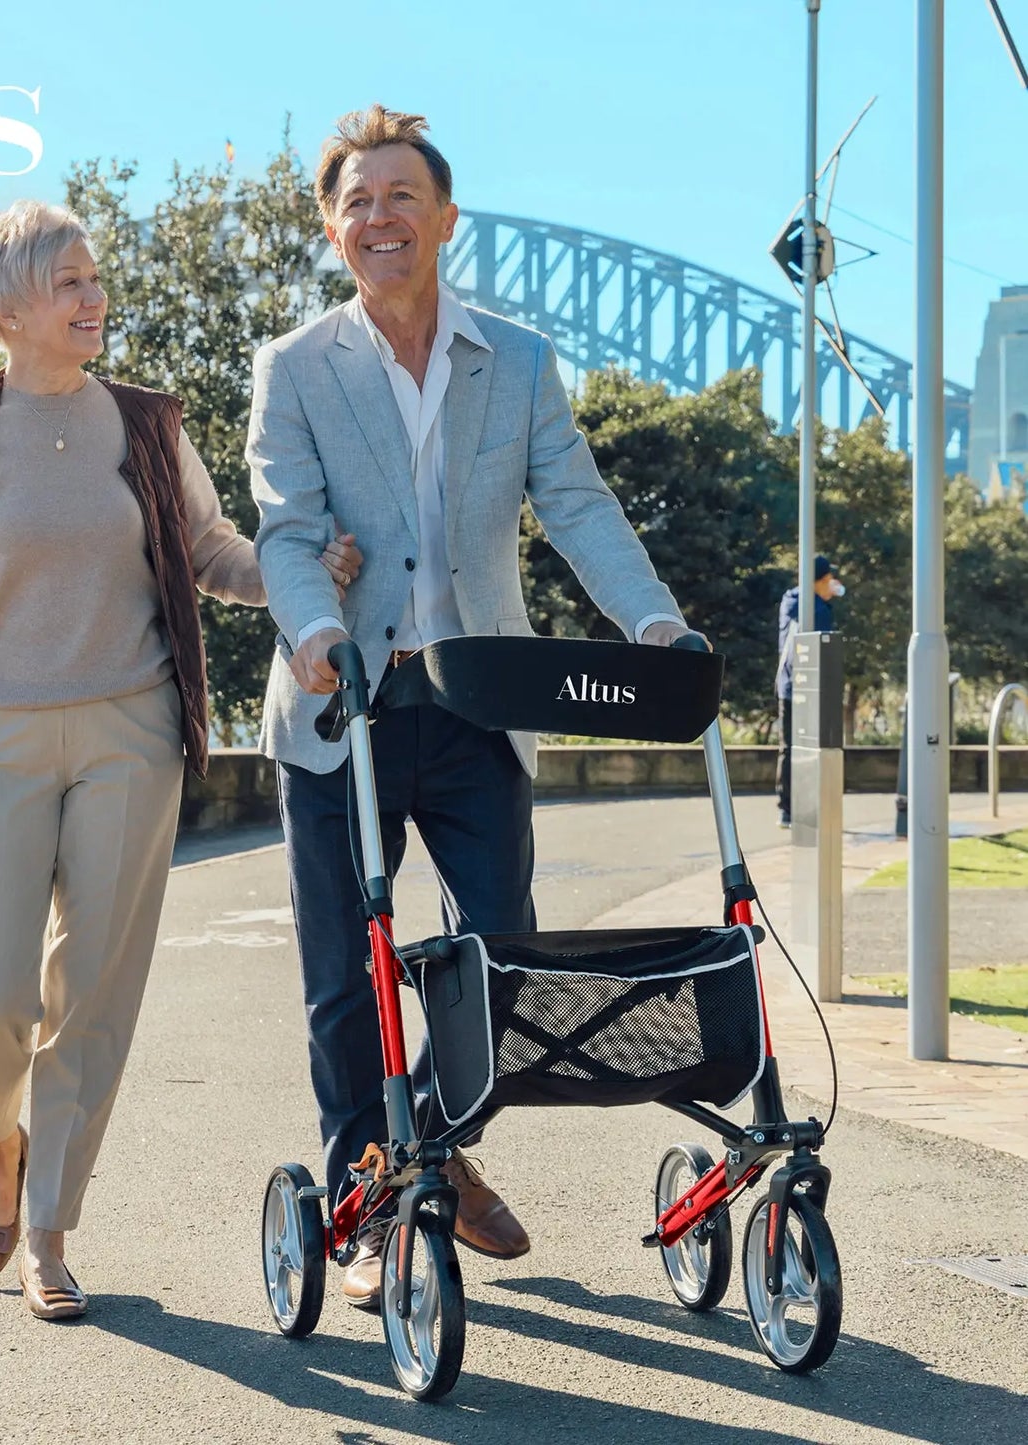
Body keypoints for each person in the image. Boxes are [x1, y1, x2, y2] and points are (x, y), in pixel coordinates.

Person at [0, 200, 361, 1321]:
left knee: (94, 992)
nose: (93, 295)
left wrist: (303, 573)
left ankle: (48, 1229)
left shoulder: (144, 425)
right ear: (7, 309)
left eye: (94, 276)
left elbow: (205, 548)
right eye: (68, 281)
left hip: (131, 731)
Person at [248, 105, 694, 1310]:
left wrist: (650, 625)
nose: (379, 217)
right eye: (357, 202)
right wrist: (317, 630)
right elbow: (287, 533)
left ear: (444, 218)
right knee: (347, 971)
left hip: (476, 703)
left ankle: (434, 1154)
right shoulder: (293, 369)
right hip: (346, 710)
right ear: (332, 229)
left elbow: (580, 508)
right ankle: (369, 1191)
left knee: (499, 946)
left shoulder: (519, 358)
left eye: (401, 197)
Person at [775, 555, 844, 827]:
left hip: (790, 685)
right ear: (821, 580)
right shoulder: (815, 607)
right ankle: (797, 807)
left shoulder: (791, 600)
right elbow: (822, 646)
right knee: (805, 747)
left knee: (790, 747)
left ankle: (790, 808)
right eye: (829, 580)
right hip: (809, 687)